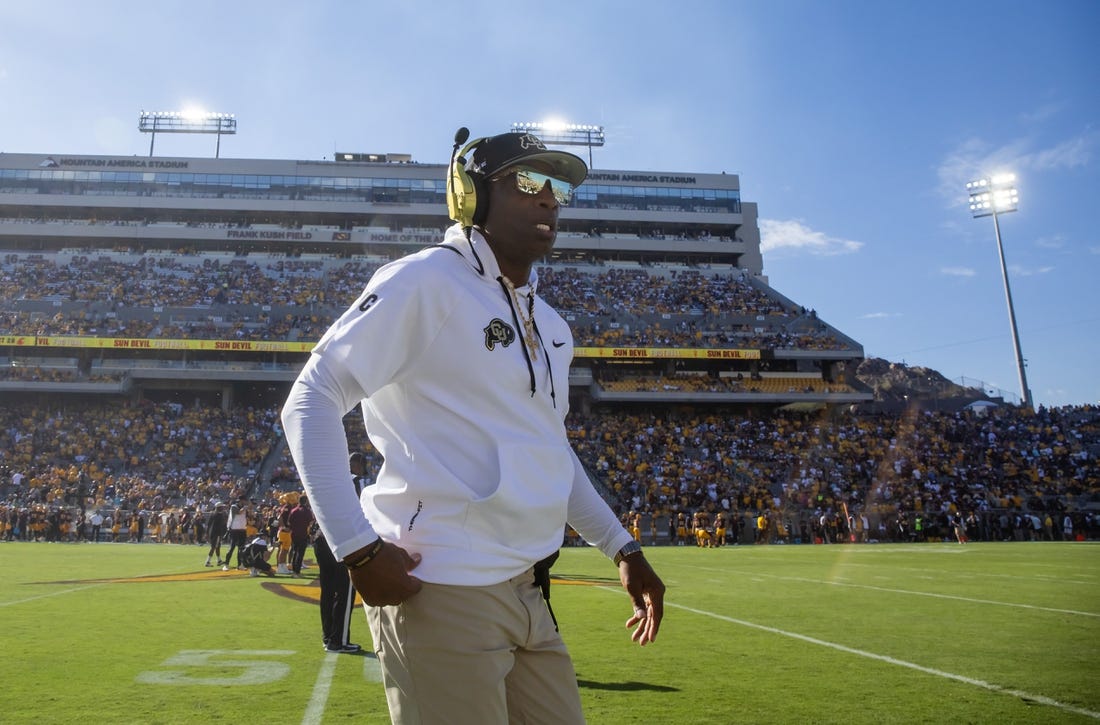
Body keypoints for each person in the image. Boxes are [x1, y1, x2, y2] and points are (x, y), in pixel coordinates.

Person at [282, 129, 665, 723]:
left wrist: (622, 546)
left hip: (531, 587)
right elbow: (310, 396)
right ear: (470, 194)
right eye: (530, 182)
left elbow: (550, 452)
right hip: (440, 584)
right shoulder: (424, 281)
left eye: (557, 186)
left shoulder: (553, 325)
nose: (549, 199)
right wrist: (356, 550)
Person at [312, 453, 372, 654]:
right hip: (342, 539)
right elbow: (366, 509)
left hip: (322, 538)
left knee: (328, 591)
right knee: (345, 592)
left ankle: (328, 636)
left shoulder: (327, 482)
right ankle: (339, 640)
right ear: (359, 465)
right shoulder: (357, 482)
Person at [287, 495, 314, 578]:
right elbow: (311, 521)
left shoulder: (293, 510)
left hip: (294, 534)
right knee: (300, 553)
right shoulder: (307, 511)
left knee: (295, 552)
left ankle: (294, 569)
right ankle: (297, 571)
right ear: (305, 501)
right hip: (303, 534)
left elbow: (289, 522)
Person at [223, 496, 249, 571]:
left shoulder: (244, 507)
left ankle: (240, 564)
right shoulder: (233, 506)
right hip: (234, 529)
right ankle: (226, 564)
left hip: (242, 529)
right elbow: (238, 512)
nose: (245, 502)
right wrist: (244, 509)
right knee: (231, 548)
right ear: (241, 500)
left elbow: (246, 516)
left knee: (241, 549)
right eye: (244, 500)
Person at [204, 501, 227, 567]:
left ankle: (219, 560)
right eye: (222, 507)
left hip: (213, 533)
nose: (223, 508)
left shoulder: (213, 514)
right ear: (219, 507)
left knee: (217, 547)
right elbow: (221, 525)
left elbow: (209, 524)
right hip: (217, 533)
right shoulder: (219, 515)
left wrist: (207, 533)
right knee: (214, 547)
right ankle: (207, 561)